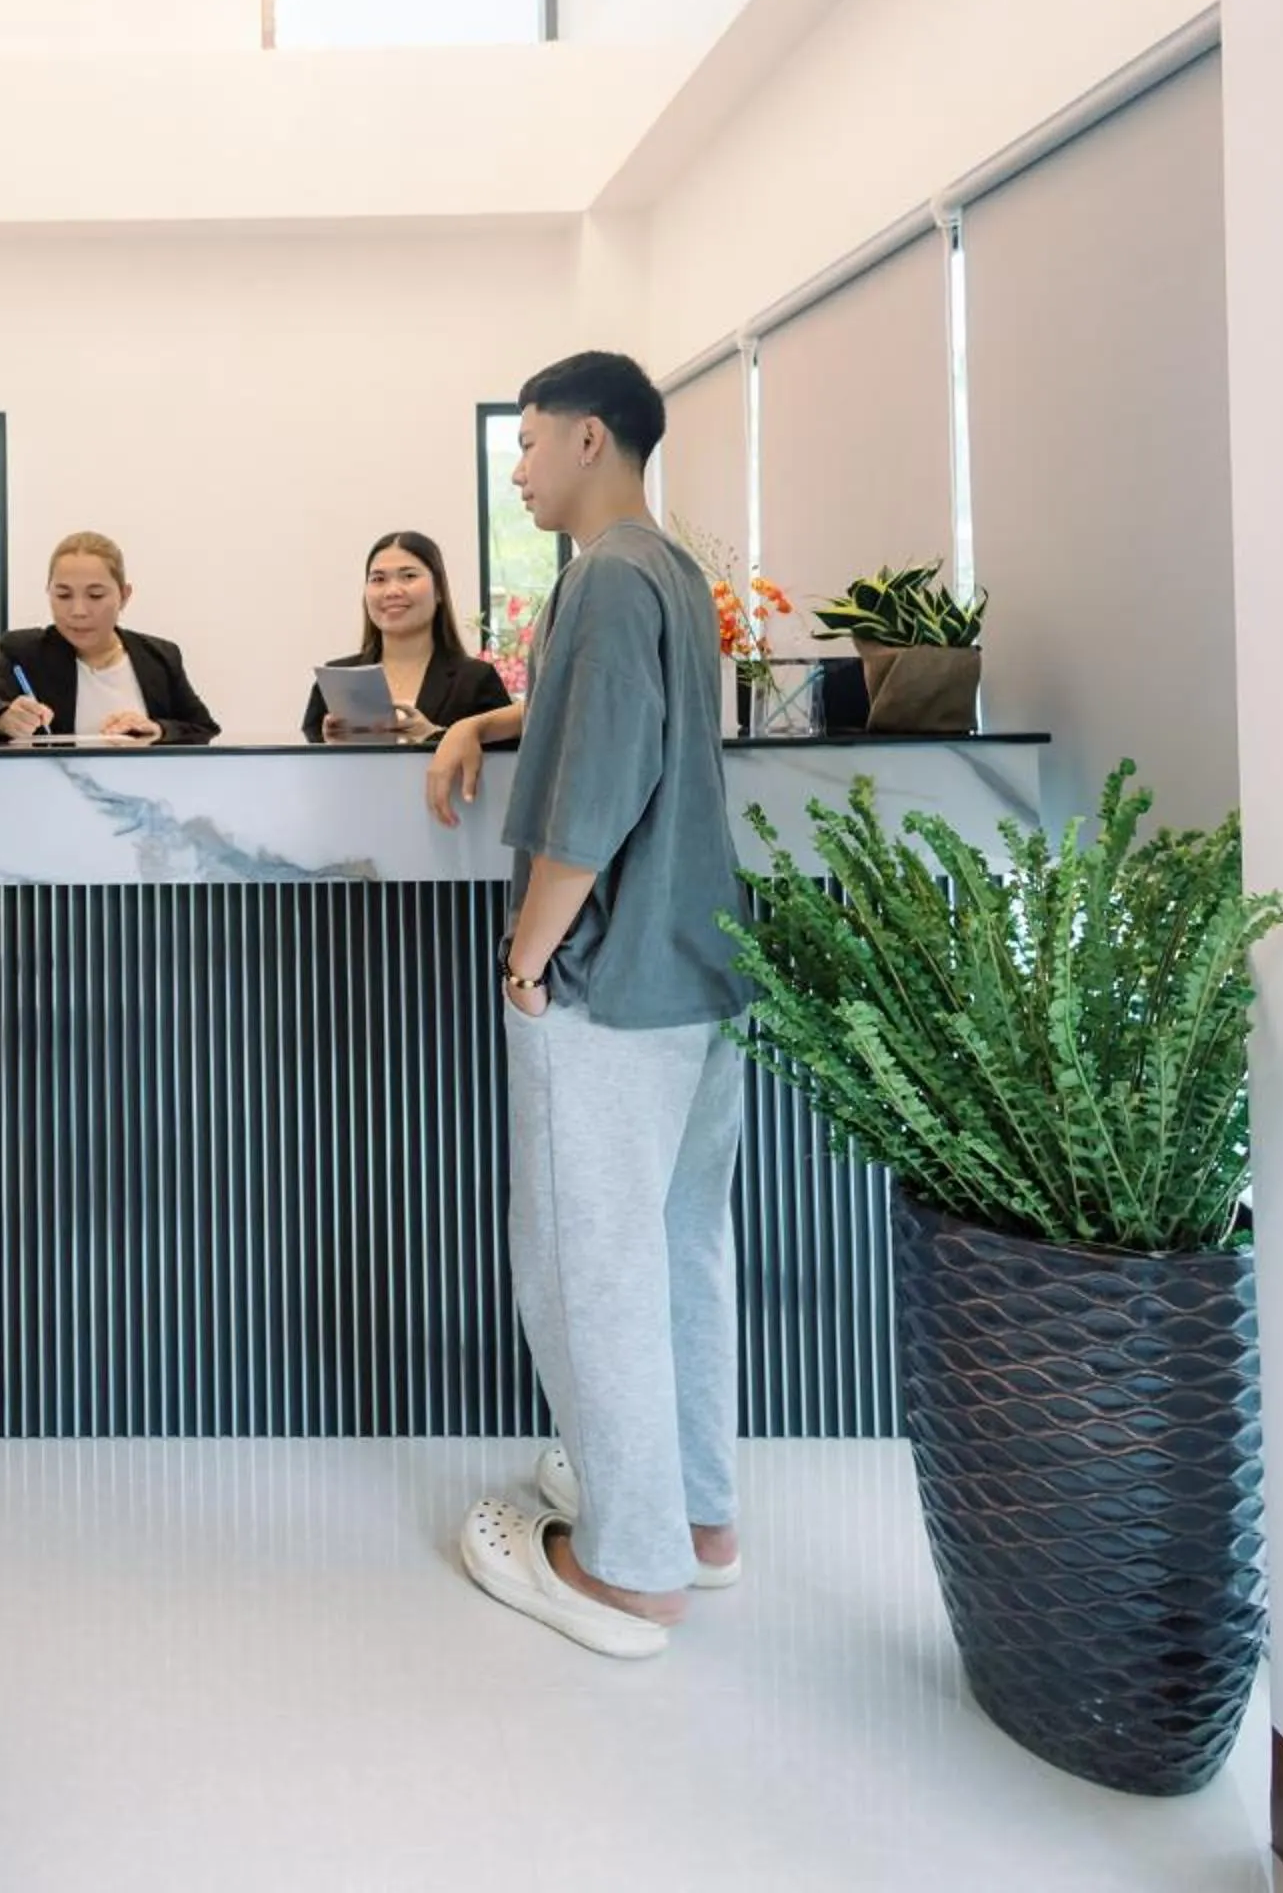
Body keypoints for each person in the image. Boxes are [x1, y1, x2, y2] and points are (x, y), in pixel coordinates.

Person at [428, 353, 755, 1659]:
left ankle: (628, 1570)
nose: (516, 469)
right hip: (696, 966)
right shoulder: (662, 570)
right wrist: (484, 724)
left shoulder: (606, 578)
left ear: (588, 438)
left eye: (527, 442)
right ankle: (698, 1523)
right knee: (678, 1253)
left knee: (589, 1268)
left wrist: (526, 957)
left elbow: (600, 789)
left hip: (609, 982)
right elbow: (611, 717)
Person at [0, 531, 221, 745]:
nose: (78, 611)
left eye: (95, 595)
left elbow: (201, 727)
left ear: (124, 595)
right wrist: (3, 719)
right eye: (63, 595)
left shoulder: (159, 656)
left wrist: (158, 730)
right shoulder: (26, 652)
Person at [299, 530, 514, 742]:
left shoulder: (476, 680)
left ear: (439, 590)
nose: (392, 591)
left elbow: (506, 756)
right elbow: (310, 756)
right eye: (378, 579)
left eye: (409, 576)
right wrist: (329, 748)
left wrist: (435, 736)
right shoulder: (337, 679)